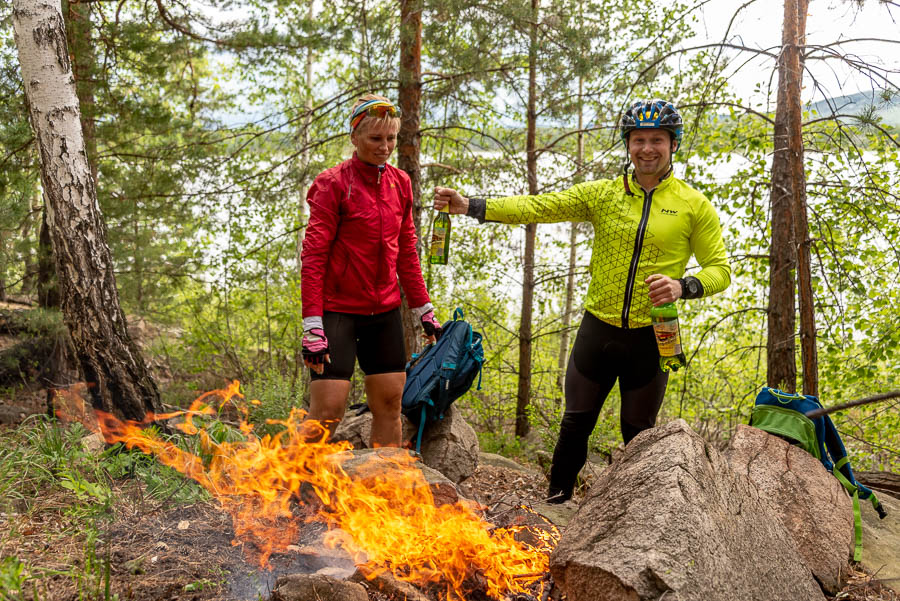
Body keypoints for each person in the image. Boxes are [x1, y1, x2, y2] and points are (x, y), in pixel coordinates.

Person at [433, 99, 731, 502]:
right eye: (638, 139)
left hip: (653, 335)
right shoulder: (604, 195)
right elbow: (539, 207)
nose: (647, 148)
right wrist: (471, 206)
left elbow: (720, 270)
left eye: (657, 139)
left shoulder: (694, 206)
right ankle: (555, 507)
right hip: (599, 329)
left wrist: (685, 285)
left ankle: (635, 518)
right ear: (628, 144)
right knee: (575, 424)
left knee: (640, 433)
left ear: (673, 144)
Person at [300, 94, 443, 447]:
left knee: (389, 404)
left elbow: (406, 251)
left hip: (384, 310)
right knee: (328, 411)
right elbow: (314, 257)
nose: (385, 147)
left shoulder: (400, 183)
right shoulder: (332, 183)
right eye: (375, 139)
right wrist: (312, 326)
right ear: (355, 137)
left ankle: (384, 484)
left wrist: (424, 310)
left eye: (391, 138)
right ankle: (294, 488)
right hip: (338, 311)